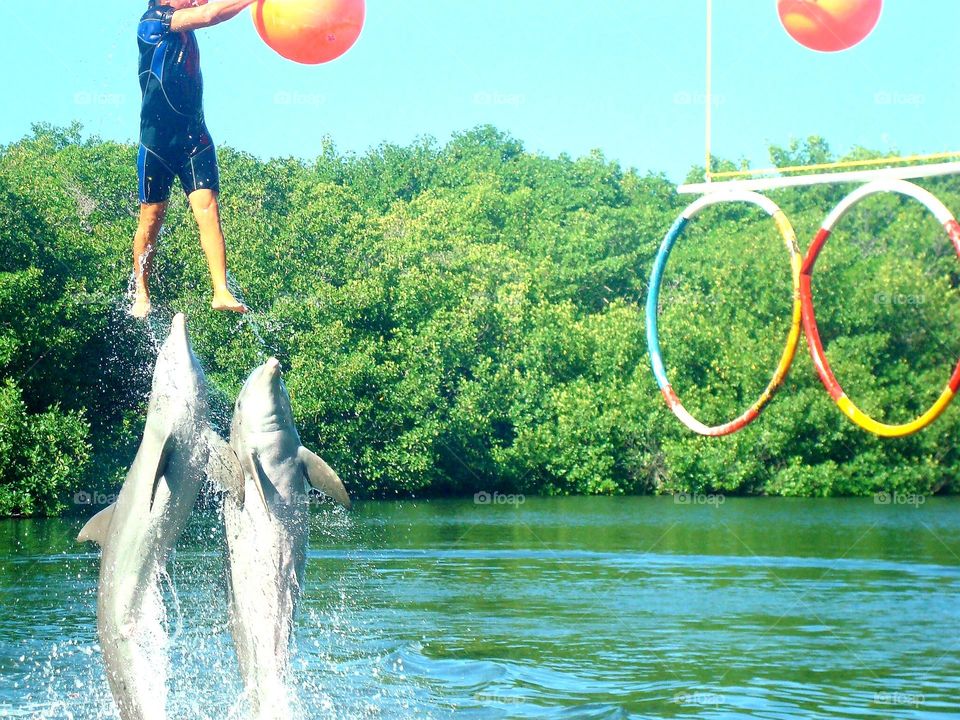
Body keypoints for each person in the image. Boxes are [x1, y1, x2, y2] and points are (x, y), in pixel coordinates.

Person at [132, 0, 257, 318]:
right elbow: (208, 14)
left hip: (195, 138)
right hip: (157, 142)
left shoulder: (183, 13)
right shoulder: (152, 21)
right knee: (151, 219)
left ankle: (221, 290)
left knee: (209, 211)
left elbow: (212, 6)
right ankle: (142, 293)